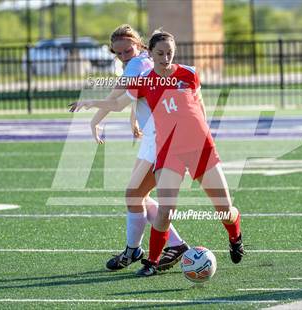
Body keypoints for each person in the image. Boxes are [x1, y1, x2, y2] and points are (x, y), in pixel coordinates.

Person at [73, 29, 244, 277]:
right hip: (168, 150)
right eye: (160, 53)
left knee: (225, 209)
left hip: (199, 148)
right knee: (164, 209)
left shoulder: (189, 73)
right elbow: (119, 103)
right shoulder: (144, 80)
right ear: (150, 53)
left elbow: (199, 104)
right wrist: (92, 103)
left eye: (169, 53)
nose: (165, 58)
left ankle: (235, 237)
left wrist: (204, 133)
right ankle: (151, 262)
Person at [70, 25, 189, 272]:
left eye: (127, 50)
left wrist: (95, 120)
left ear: (139, 44)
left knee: (134, 195)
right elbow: (141, 95)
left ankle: (137, 250)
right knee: (137, 196)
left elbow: (116, 100)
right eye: (119, 53)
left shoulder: (137, 65)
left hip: (162, 137)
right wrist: (134, 119)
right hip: (156, 137)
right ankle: (170, 245)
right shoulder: (144, 60)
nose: (124, 56)